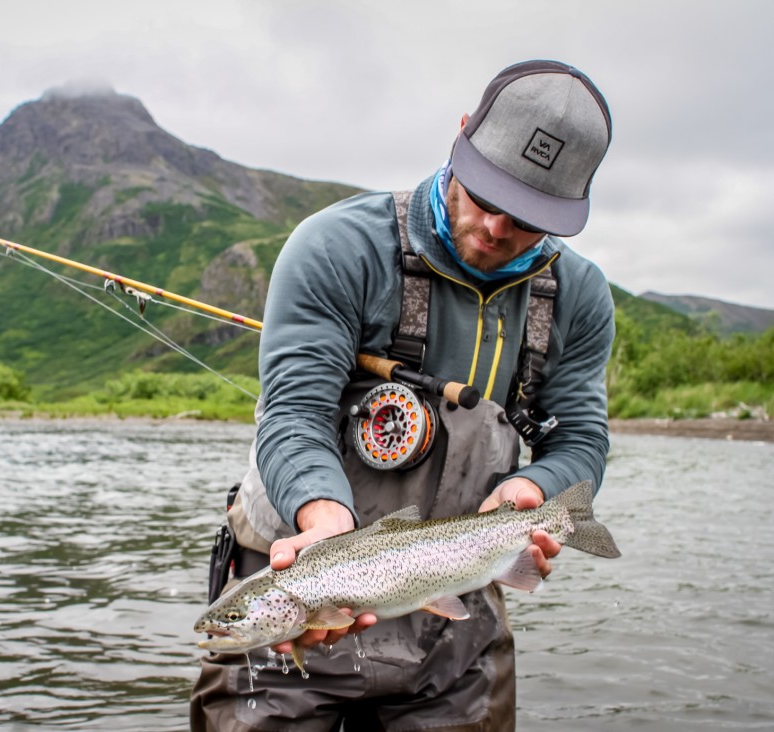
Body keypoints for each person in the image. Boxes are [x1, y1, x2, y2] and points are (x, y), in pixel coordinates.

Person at [191, 59, 615, 732]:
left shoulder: (580, 298)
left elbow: (582, 441)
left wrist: (534, 490)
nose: (497, 230)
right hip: (296, 584)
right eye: (486, 196)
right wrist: (323, 524)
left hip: (456, 617)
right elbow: (293, 414)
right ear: (461, 137)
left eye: (530, 219)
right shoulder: (337, 247)